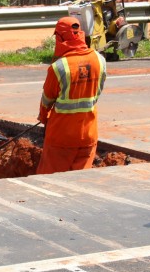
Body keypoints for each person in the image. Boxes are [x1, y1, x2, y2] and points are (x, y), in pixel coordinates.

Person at [36, 16, 107, 174]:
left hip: (61, 137)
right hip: (88, 134)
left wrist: (43, 118)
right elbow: (97, 93)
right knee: (80, 182)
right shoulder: (100, 60)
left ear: (61, 38)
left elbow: (47, 100)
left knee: (48, 181)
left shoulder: (58, 67)